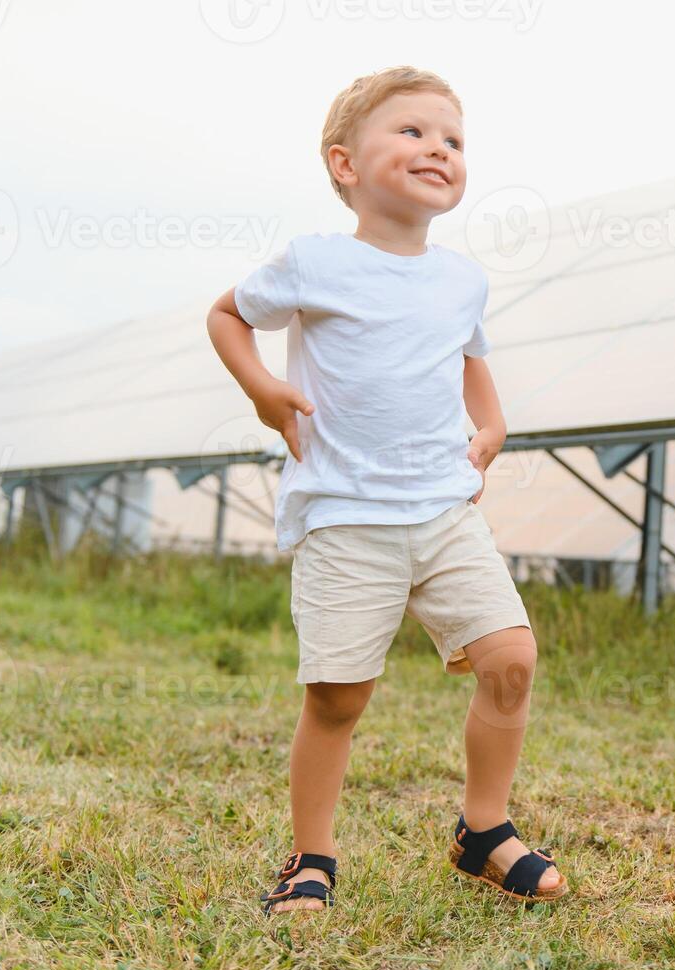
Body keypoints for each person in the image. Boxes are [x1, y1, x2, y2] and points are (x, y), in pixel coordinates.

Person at [206, 65, 567, 913]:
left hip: (443, 510)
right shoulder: (313, 263)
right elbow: (226, 315)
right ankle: (310, 857)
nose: (437, 148)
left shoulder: (461, 280)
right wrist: (261, 388)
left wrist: (492, 425)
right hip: (344, 516)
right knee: (338, 696)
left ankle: (483, 830)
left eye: (452, 140)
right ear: (344, 165)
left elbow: (471, 361)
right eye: (410, 132)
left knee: (510, 658)